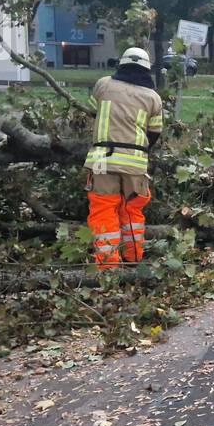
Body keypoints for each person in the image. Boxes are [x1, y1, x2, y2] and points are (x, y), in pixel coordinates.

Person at [83, 47, 164, 270]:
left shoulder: (103, 85)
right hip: (135, 163)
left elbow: (92, 111)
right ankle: (133, 259)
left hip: (102, 160)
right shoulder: (153, 98)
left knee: (103, 209)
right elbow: (154, 133)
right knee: (132, 211)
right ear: (147, 70)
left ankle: (108, 267)